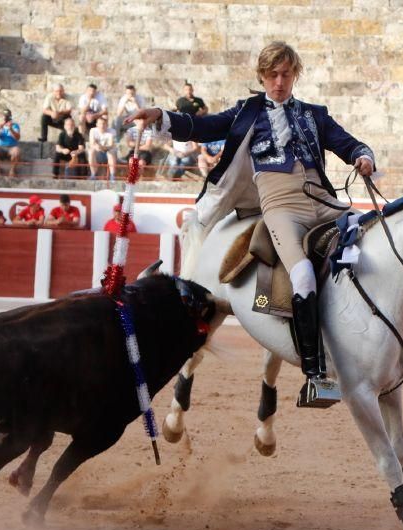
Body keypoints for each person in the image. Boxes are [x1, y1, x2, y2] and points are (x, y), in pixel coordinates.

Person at [126, 41, 375, 405]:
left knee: (367, 233)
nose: (279, 81)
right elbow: (202, 125)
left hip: (323, 201)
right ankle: (316, 374)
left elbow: (348, 143)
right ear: (261, 76)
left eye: (286, 74)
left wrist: (363, 157)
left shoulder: (314, 113)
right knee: (302, 275)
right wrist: (161, 117)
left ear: (295, 76)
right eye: (272, 75)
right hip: (280, 206)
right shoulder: (248, 111)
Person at [0, 109, 21, 177]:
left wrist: (11, 129)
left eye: (7, 117)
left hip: (11, 147)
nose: (6, 118)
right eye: (5, 116)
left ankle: (12, 170)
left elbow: (18, 137)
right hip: (0, 147)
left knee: (17, 151)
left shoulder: (15, 125)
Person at [88, 116, 117, 181]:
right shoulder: (93, 130)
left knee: (110, 153)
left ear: (107, 124)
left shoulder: (112, 131)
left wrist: (99, 146)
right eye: (100, 123)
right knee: (91, 151)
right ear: (97, 124)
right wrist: (98, 146)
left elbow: (111, 145)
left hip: (108, 153)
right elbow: (92, 143)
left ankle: (112, 175)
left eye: (104, 123)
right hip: (98, 153)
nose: (102, 125)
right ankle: (93, 174)